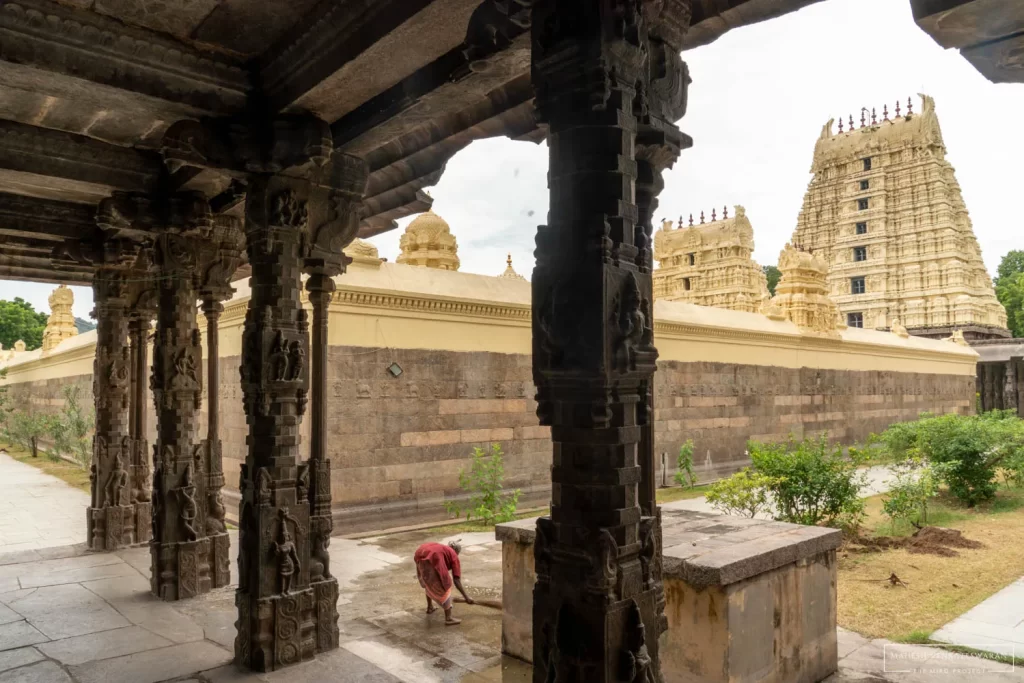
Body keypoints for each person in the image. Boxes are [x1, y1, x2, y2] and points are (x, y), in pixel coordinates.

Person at [414, 540, 473, 625]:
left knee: (429, 582)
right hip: (433, 556)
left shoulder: (443, 549)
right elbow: (456, 580)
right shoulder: (453, 555)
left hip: (420, 553)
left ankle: (430, 607)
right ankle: (448, 618)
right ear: (456, 551)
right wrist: (466, 597)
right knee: (446, 585)